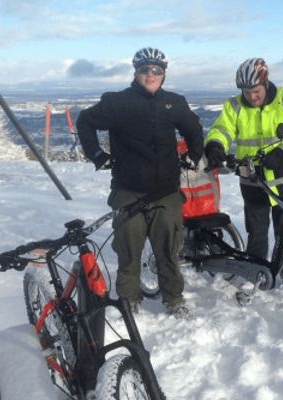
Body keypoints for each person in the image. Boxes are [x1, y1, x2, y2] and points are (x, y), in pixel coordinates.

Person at [76, 47, 203, 318]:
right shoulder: (117, 102)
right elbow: (85, 121)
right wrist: (97, 155)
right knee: (129, 248)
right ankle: (129, 299)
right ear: (136, 72)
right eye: (145, 69)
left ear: (164, 74)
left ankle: (173, 299)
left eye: (157, 70)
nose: (151, 74)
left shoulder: (174, 102)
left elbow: (193, 129)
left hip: (166, 190)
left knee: (169, 249)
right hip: (128, 189)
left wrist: (194, 154)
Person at [204, 57, 283, 283]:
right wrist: (215, 145)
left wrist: (282, 153)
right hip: (253, 181)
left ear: (266, 83)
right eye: (246, 92)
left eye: (256, 91)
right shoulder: (234, 106)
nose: (252, 97)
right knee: (257, 231)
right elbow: (221, 129)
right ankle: (257, 274)